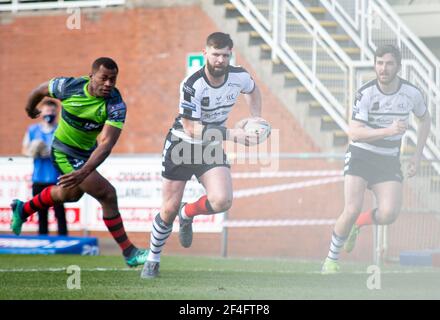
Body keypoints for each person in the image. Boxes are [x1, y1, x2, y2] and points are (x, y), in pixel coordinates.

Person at [141, 32, 266, 279]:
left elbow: (254, 90)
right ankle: (153, 258)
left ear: (231, 54)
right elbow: (192, 129)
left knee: (222, 200)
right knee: (168, 209)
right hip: (182, 143)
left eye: (225, 55)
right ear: (205, 54)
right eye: (216, 54)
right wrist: (233, 135)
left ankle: (187, 213)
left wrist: (256, 119)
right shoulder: (192, 83)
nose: (220, 60)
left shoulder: (239, 76)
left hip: (209, 144)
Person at [10, 57, 149, 267]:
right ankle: (129, 252)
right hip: (64, 152)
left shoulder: (115, 103)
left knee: (71, 195)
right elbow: (40, 90)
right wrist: (30, 109)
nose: (109, 84)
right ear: (92, 76)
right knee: (108, 194)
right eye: (104, 78)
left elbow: (106, 144)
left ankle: (23, 209)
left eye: (113, 79)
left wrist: (83, 172)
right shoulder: (69, 86)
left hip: (87, 154)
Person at [321, 44, 431, 274]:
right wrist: (387, 131)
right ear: (374, 65)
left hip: (388, 159)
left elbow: (425, 119)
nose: (384, 68)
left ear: (398, 67)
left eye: (389, 63)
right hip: (361, 154)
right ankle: (331, 260)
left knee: (389, 214)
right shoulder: (366, 93)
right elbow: (354, 132)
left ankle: (360, 223)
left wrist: (417, 156)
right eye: (380, 63)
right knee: (351, 208)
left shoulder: (411, 93)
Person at [22, 99, 68, 236]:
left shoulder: (61, 129)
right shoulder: (33, 130)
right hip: (39, 178)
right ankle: (42, 239)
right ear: (41, 112)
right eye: (47, 111)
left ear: (57, 112)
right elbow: (24, 150)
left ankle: (63, 240)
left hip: (56, 179)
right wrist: (33, 151)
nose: (50, 113)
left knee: (60, 213)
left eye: (53, 111)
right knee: (41, 213)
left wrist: (51, 152)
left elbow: (66, 150)